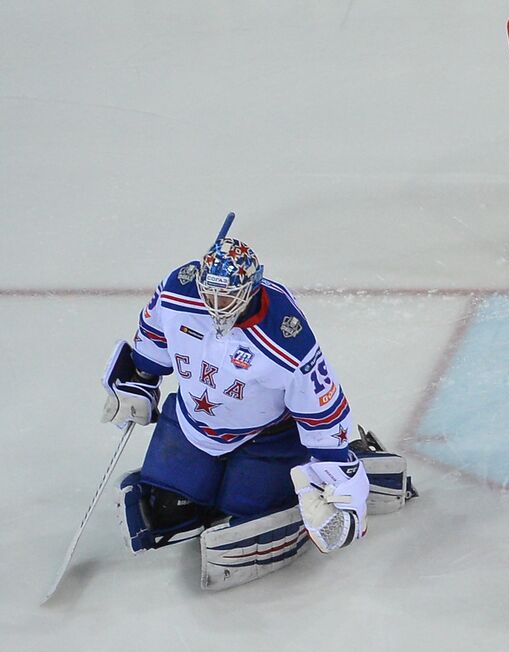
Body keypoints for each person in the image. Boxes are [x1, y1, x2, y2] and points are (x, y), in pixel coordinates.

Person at [102, 224, 412, 590]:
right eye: (211, 294)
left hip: (268, 438)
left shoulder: (283, 334)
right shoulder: (177, 290)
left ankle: (342, 470)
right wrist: (141, 379)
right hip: (193, 425)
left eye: (227, 296)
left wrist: (335, 466)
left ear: (252, 287)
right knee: (164, 507)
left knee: (246, 506)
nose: (217, 306)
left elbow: (319, 402)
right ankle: (220, 488)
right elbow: (154, 331)